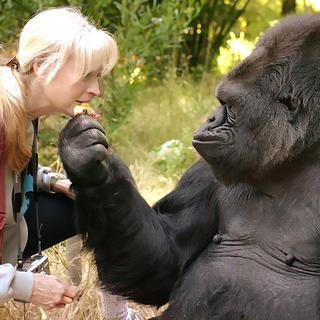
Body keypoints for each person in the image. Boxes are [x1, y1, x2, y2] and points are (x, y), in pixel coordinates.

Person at [0, 7, 141, 318]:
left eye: (98, 76)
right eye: (85, 75)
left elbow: (11, 173)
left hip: (11, 233)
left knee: (102, 204)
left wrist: (53, 181)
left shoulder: (22, 110)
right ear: (41, 64)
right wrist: (23, 285)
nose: (96, 90)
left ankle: (119, 315)